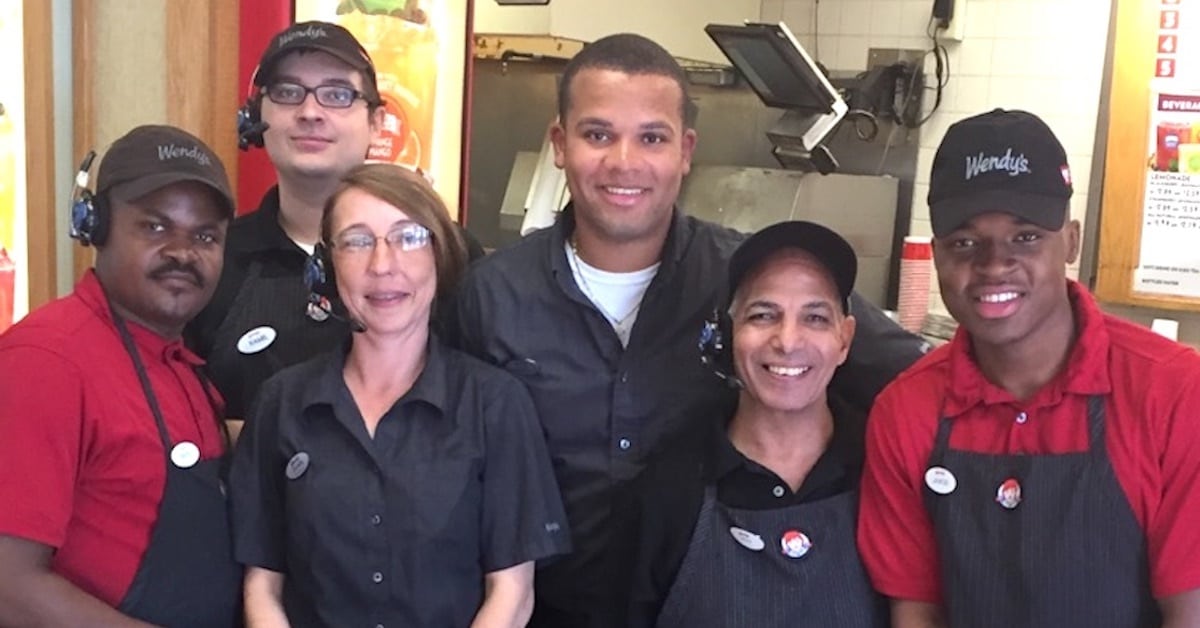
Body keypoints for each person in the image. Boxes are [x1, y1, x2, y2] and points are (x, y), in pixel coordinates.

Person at [454, 33, 927, 627]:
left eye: (652, 137)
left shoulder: (750, 280)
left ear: (686, 150)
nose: (624, 162)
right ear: (558, 143)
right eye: (598, 134)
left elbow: (917, 387)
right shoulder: (490, 297)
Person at [857, 109, 1200, 627]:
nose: (994, 264)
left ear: (1072, 241)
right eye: (965, 243)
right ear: (936, 255)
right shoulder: (905, 413)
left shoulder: (1172, 391)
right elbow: (917, 612)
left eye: (1025, 237)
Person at [230, 163, 569, 628]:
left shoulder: (495, 403)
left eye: (408, 237)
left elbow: (512, 591)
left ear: (439, 254)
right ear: (327, 265)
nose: (383, 265)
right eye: (357, 240)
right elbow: (262, 585)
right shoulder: (282, 403)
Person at [187, 20, 485, 433]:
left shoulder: (444, 253)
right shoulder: (215, 260)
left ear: (377, 122)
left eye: (337, 95)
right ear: (256, 115)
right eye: (288, 93)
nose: (310, 112)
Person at [0, 125, 241, 627]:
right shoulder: (47, 359)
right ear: (96, 225)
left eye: (205, 236)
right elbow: (9, 586)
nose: (183, 251)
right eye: (155, 227)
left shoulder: (187, 370)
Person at [621, 221, 888, 628]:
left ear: (845, 340)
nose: (787, 340)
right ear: (729, 337)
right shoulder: (670, 485)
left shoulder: (888, 466)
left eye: (815, 318)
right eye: (763, 315)